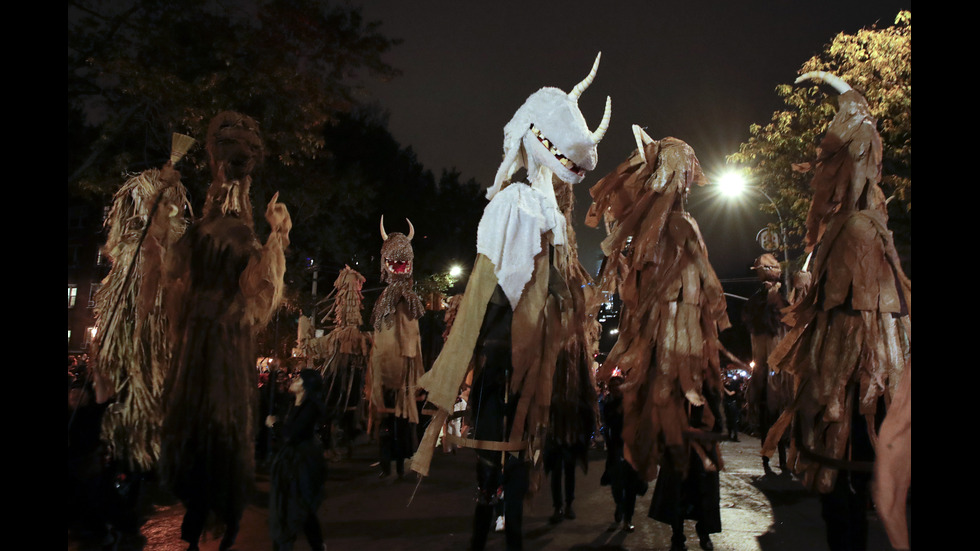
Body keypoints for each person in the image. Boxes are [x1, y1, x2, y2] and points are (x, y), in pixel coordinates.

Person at [267, 369, 327, 551]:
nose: (294, 379)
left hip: (302, 463)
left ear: (305, 386)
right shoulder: (294, 403)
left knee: (296, 505)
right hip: (292, 460)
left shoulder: (310, 407)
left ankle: (288, 543)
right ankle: (313, 545)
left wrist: (274, 425)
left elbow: (292, 434)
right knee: (296, 506)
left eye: (298, 378)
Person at [600, 373, 644, 532]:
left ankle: (628, 518)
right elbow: (610, 422)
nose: (615, 389)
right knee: (616, 484)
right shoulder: (608, 404)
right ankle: (620, 504)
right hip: (616, 448)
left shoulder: (632, 404)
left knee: (631, 486)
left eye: (618, 386)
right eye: (612, 387)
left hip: (631, 448)